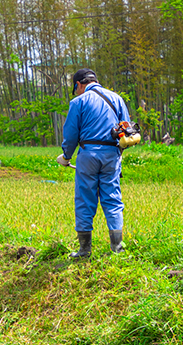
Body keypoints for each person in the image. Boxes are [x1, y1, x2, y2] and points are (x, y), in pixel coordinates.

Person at [57, 68, 130, 258]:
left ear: (78, 85)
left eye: (76, 89)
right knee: (113, 200)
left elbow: (71, 134)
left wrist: (66, 156)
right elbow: (127, 128)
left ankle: (84, 250)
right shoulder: (117, 99)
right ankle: (117, 249)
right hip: (112, 154)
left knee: (84, 199)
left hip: (88, 154)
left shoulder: (78, 102)